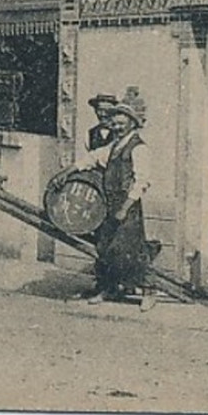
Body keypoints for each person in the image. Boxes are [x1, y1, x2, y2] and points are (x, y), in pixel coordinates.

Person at [84, 94, 155, 311]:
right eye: (115, 123)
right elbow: (93, 157)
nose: (117, 127)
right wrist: (70, 170)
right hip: (110, 203)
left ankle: (149, 292)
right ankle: (110, 288)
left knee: (132, 249)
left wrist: (125, 208)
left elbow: (142, 181)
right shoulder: (114, 146)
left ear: (132, 123)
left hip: (128, 205)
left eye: (121, 123)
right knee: (106, 247)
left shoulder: (138, 147)